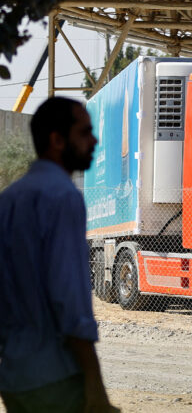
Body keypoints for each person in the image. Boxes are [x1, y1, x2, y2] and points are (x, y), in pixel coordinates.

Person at [0, 97, 118, 413]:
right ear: (57, 140)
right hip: (57, 380)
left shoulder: (9, 200)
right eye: (84, 132)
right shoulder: (64, 198)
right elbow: (70, 301)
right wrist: (94, 385)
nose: (94, 140)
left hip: (15, 380)